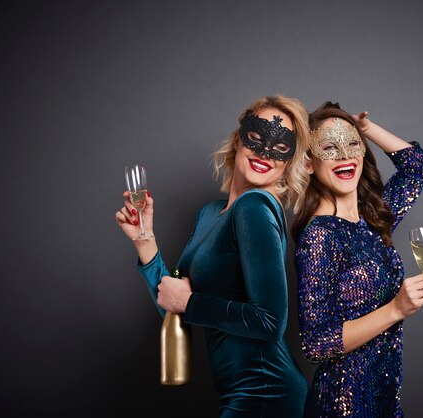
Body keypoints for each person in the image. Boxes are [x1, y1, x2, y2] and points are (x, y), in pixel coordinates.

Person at [115, 96, 310, 417]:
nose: (264, 154)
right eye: (257, 138)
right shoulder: (210, 214)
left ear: (288, 162)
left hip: (267, 393)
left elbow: (270, 323)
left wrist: (190, 304)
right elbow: (174, 304)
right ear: (238, 139)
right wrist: (144, 239)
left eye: (280, 148)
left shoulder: (256, 207)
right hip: (239, 393)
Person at [292, 102, 423, 417]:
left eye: (352, 143)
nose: (344, 155)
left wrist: (367, 128)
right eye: (330, 147)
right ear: (308, 164)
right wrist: (397, 309)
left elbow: (418, 167)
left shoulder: (373, 220)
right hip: (344, 404)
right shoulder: (320, 237)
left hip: (383, 400)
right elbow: (316, 344)